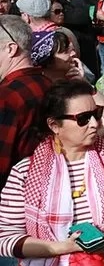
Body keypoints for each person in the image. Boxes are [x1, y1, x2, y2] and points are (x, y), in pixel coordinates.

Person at [0, 79, 104, 266]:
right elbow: (6, 237)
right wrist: (62, 247)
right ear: (54, 125)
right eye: (83, 118)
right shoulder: (25, 172)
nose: (94, 124)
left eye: (96, 114)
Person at [0, 16, 53, 189]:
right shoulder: (49, 83)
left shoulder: (7, 96)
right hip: (47, 186)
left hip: (13, 198)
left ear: (10, 49)